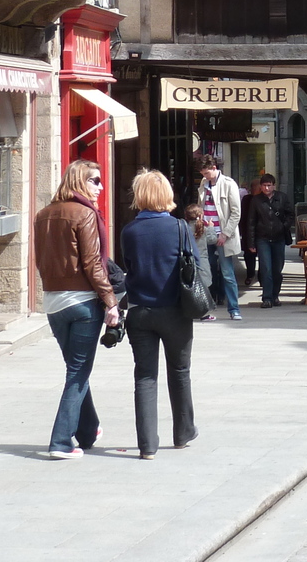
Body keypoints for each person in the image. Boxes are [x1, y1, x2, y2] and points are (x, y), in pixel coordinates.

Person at [33, 161, 121, 459]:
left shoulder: (43, 215)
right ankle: (61, 441)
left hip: (54, 302)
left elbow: (40, 260)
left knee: (76, 369)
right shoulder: (85, 214)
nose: (100, 186)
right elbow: (93, 265)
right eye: (95, 181)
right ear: (80, 182)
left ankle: (87, 428)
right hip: (83, 302)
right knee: (78, 373)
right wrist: (111, 301)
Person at [121, 170, 197, 458]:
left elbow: (129, 263)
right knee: (179, 371)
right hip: (175, 310)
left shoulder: (129, 231)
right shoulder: (179, 228)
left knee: (145, 376)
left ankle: (147, 445)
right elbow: (196, 266)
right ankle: (183, 432)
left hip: (140, 311)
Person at [194, 155, 242, 320]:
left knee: (227, 272)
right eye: (203, 174)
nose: (204, 176)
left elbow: (236, 213)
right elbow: (202, 207)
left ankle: (234, 308)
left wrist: (225, 233)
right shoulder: (203, 184)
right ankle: (206, 306)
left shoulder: (229, 184)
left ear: (214, 168)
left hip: (222, 235)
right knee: (206, 271)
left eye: (206, 173)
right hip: (206, 233)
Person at [243, 172, 294, 307]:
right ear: (260, 186)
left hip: (278, 238)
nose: (267, 188)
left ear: (274, 186)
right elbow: (251, 222)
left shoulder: (282, 198)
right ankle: (266, 298)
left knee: (277, 269)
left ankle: (275, 295)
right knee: (265, 268)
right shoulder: (256, 200)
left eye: (269, 186)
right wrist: (251, 242)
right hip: (262, 238)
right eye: (264, 186)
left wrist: (284, 227)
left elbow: (290, 215)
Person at [182, 205, 216, 321]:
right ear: (201, 215)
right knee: (204, 286)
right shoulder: (203, 229)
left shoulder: (184, 229)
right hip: (202, 261)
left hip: (188, 261)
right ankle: (204, 313)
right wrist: (211, 227)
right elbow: (212, 240)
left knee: (190, 285)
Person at [239, 179, 259, 291]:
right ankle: (250, 274)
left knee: (263, 257)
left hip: (260, 232)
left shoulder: (263, 199)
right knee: (248, 254)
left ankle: (261, 276)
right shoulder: (247, 199)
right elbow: (243, 216)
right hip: (248, 231)